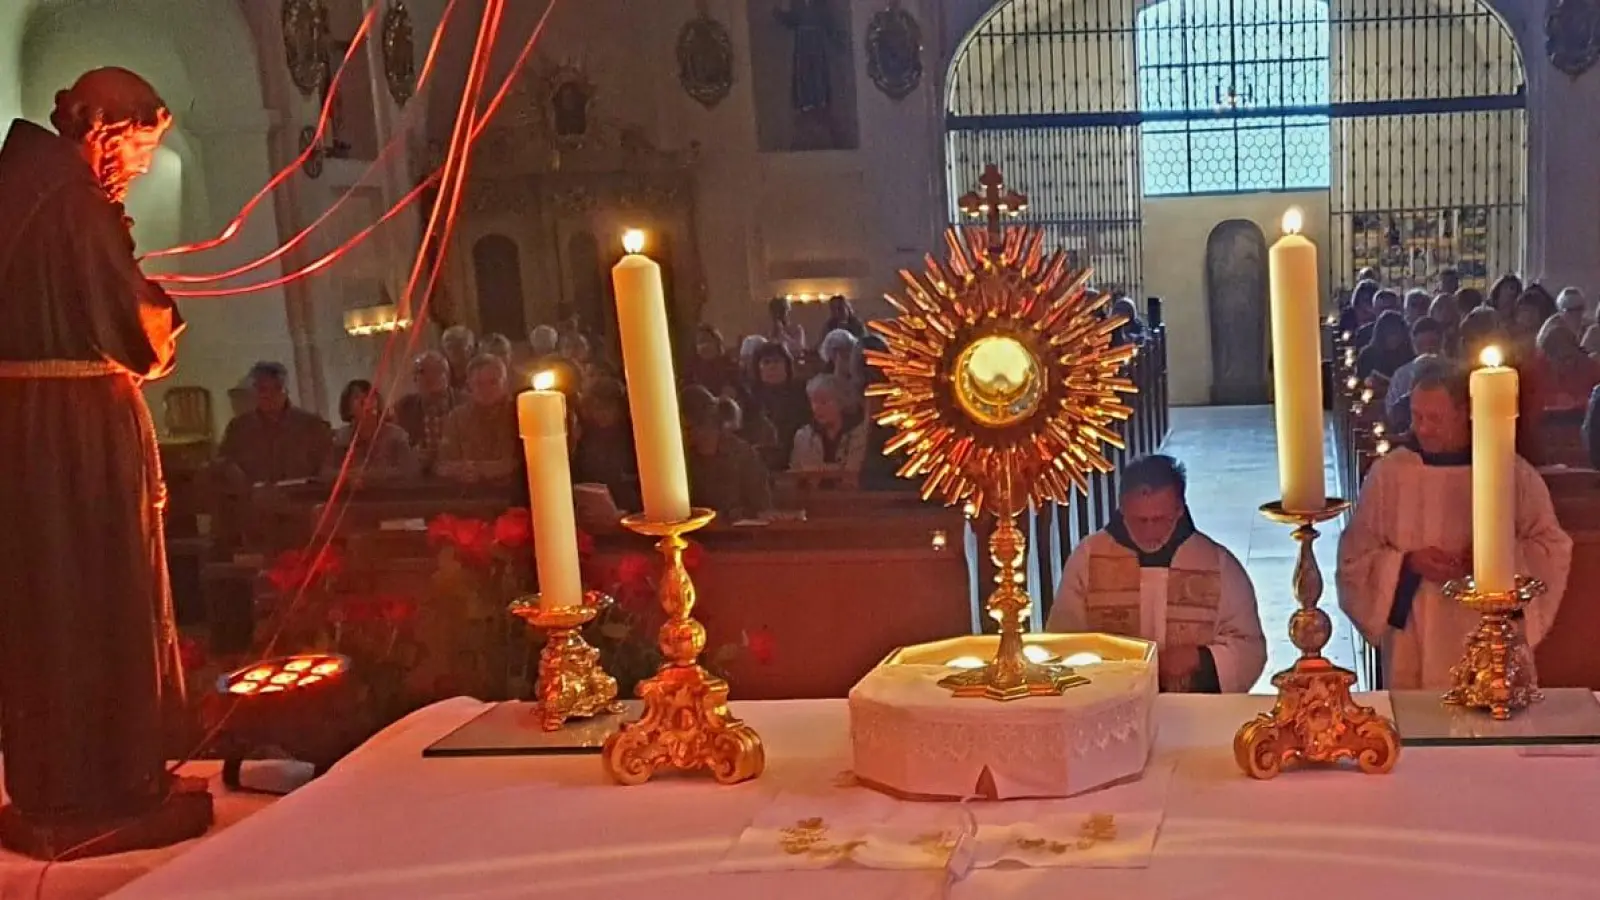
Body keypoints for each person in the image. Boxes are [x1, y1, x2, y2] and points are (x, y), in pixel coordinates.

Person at [0, 68, 207, 847]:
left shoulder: (18, 184)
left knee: (43, 598)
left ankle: (55, 780)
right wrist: (164, 318)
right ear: (106, 132)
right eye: (143, 148)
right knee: (103, 588)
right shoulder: (76, 206)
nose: (144, 168)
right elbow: (131, 326)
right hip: (78, 433)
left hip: (20, 434)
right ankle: (115, 781)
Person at [1337, 365, 1570, 690]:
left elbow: (1551, 546)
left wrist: (1496, 560)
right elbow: (1355, 557)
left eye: (1434, 418)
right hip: (1416, 631)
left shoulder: (1512, 473)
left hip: (1492, 637)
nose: (1423, 429)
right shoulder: (1390, 474)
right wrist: (1406, 564)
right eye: (1417, 417)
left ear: (1465, 414)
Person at [1047, 455, 1266, 693]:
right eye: (1139, 520)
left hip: (1188, 710)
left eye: (1159, 519)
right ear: (1122, 508)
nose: (1150, 531)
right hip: (1108, 704)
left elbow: (1249, 649)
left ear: (1179, 509)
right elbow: (1061, 643)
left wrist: (1198, 658)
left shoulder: (1217, 564)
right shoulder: (1088, 558)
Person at [218, 360, 333, 484]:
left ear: (285, 390)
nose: (267, 395)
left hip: (302, 497)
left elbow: (327, 467)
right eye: (262, 389)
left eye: (276, 388)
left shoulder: (312, 425)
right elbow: (224, 464)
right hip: (253, 499)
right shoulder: (238, 428)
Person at [681, 386, 772, 519]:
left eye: (687, 428)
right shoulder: (681, 460)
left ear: (705, 424)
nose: (682, 434)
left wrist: (732, 515)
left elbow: (762, 506)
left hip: (737, 536)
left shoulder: (742, 455)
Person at [436, 354, 518, 483]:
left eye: (493, 382)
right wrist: (460, 470)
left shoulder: (520, 415)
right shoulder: (456, 418)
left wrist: (482, 469)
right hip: (467, 495)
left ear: (505, 383)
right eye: (479, 384)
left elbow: (522, 461)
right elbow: (442, 464)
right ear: (469, 385)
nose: (487, 390)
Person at [325, 380, 419, 483]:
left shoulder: (396, 436)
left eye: (370, 397)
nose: (365, 402)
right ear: (348, 408)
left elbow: (409, 470)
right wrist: (346, 476)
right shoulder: (340, 438)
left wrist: (369, 475)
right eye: (357, 397)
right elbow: (324, 473)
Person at [790, 373, 869, 479]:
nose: (817, 408)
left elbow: (852, 472)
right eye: (814, 402)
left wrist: (820, 470)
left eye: (824, 402)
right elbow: (797, 474)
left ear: (841, 403)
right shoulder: (803, 436)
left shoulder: (859, 433)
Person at [393, 350, 460, 474]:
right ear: (414, 378)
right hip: (418, 478)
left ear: (448, 376)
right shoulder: (403, 407)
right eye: (422, 372)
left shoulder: (465, 402)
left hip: (458, 476)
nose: (430, 376)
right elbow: (396, 450)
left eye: (436, 371)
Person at [1356, 310, 1414, 381]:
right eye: (1390, 333)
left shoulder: (1410, 353)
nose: (1394, 338)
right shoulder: (1367, 355)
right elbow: (1361, 380)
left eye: (1397, 333)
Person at [440, 324, 476, 391]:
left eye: (457, 345)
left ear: (470, 348)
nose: (452, 351)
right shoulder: (442, 377)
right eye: (448, 347)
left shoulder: (480, 375)